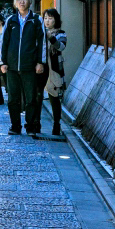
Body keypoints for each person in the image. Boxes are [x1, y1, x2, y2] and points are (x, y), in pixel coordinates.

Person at [0, 0, 45, 137]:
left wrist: (40, 62)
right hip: (11, 66)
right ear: (15, 2)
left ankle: (31, 126)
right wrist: (3, 62)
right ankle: (15, 126)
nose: (22, 1)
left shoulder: (36, 20)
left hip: (29, 66)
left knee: (31, 98)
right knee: (13, 98)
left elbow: (42, 43)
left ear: (30, 2)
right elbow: (3, 43)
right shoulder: (10, 20)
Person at [42, 8, 68, 136]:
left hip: (54, 69)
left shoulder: (61, 33)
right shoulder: (40, 32)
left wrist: (51, 37)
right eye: (45, 18)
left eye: (50, 18)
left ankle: (56, 124)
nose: (47, 21)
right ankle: (35, 124)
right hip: (40, 67)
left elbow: (61, 46)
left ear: (56, 20)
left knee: (54, 96)